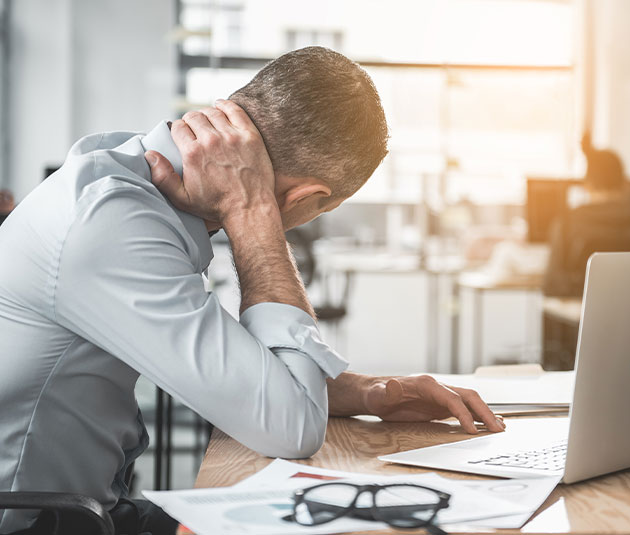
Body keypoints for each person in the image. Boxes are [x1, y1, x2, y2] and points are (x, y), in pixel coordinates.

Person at [0, 47, 504, 535]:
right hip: (41, 521)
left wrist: (370, 392)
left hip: (88, 507)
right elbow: (290, 430)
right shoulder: (113, 222)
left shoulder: (125, 176)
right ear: (306, 198)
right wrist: (254, 217)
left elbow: (240, 369)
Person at [543, 135, 630, 298]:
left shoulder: (566, 228)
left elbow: (552, 287)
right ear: (625, 185)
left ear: (587, 185)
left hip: (585, 322)